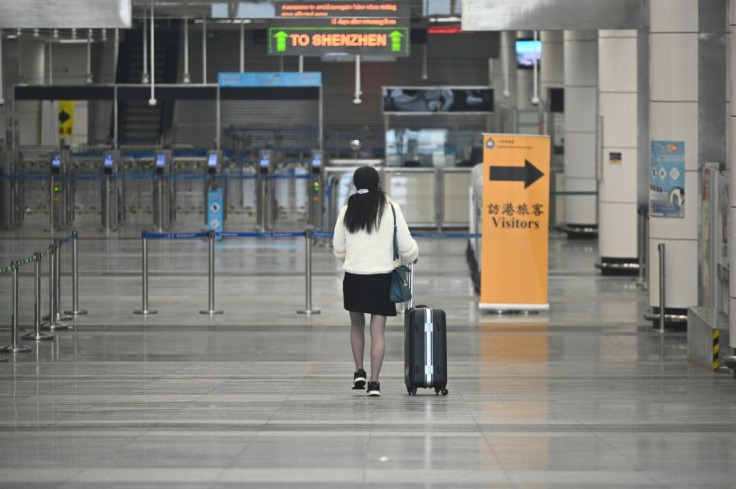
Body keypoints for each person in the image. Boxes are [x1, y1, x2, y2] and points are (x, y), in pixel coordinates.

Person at [333, 166, 419, 397]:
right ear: (377, 183)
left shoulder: (347, 210)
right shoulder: (390, 208)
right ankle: (374, 383)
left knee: (356, 326)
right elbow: (405, 244)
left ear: (354, 184)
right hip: (382, 277)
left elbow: (338, 247)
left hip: (354, 277)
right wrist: (413, 256)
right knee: (378, 331)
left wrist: (352, 258)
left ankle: (358, 371)